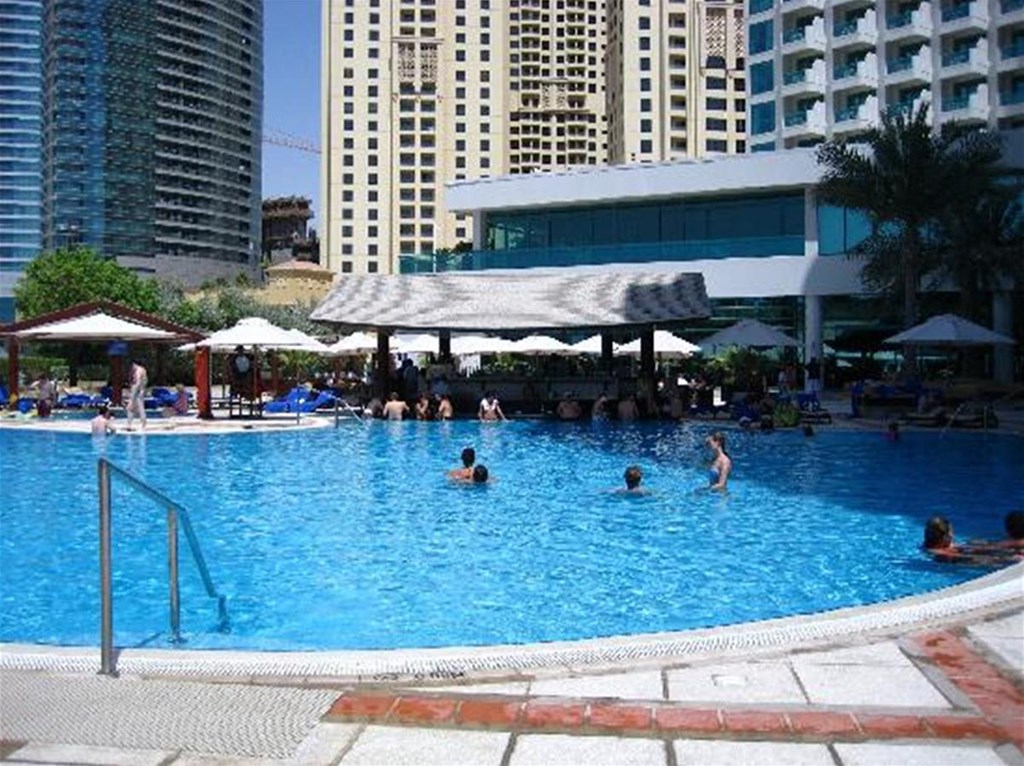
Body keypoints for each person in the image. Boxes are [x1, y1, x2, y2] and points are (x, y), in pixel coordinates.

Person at [126, 359, 147, 431]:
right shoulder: (143, 370)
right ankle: (143, 424)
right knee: (140, 408)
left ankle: (129, 424)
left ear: (134, 364)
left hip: (136, 391)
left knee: (130, 407)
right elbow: (144, 381)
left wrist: (133, 394)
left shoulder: (138, 370)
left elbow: (137, 382)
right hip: (141, 391)